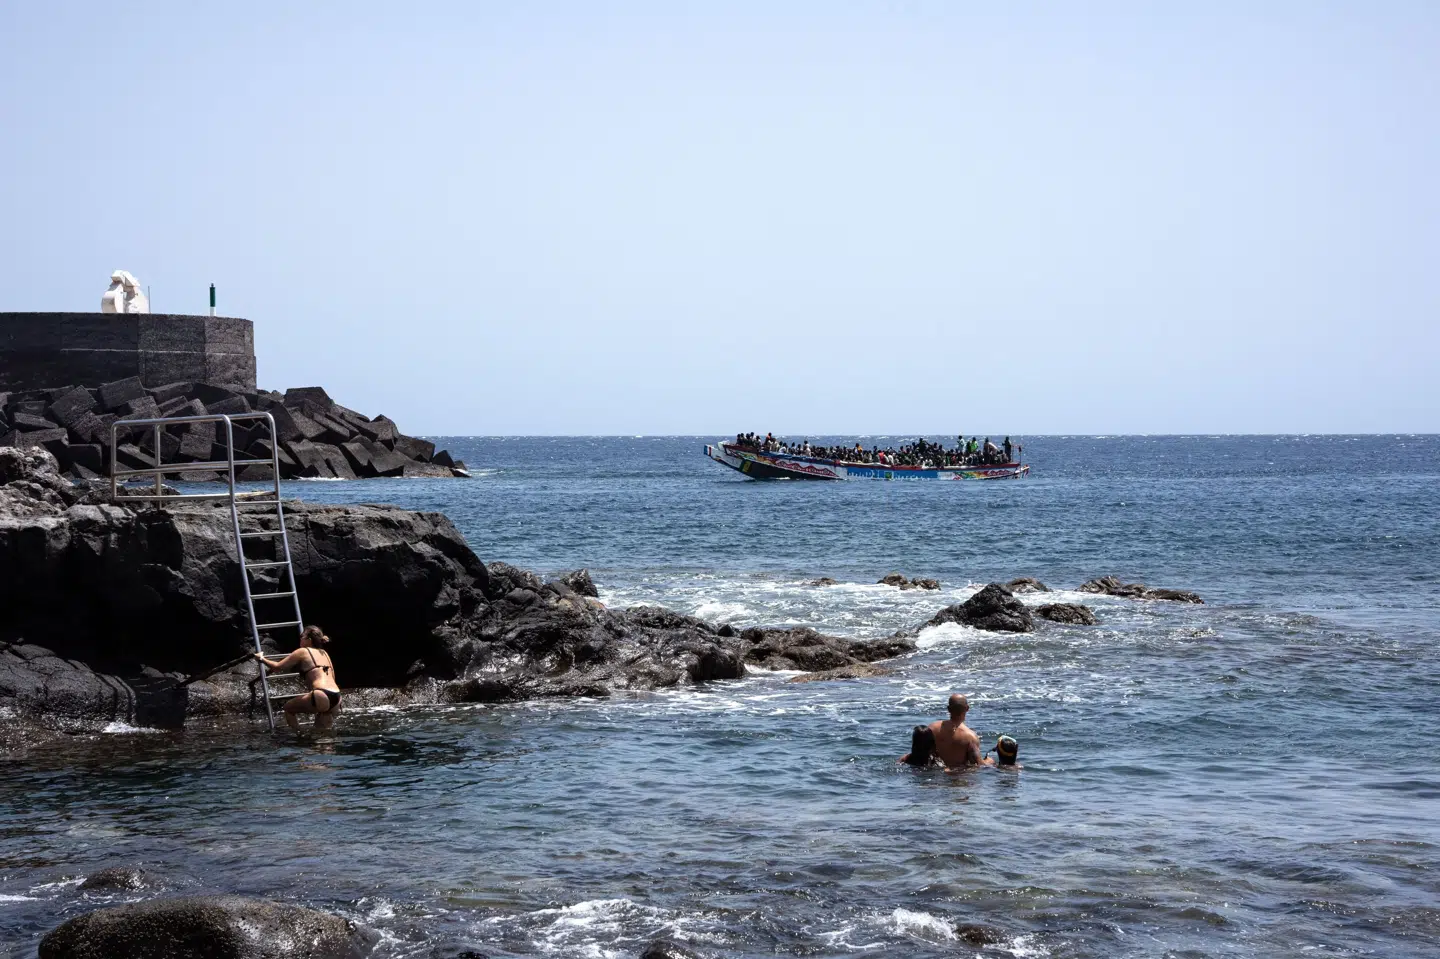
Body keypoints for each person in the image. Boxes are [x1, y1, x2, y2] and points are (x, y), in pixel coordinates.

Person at [255, 625, 340, 735]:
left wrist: (261, 659)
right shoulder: (324, 653)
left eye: (302, 636)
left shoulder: (302, 651)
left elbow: (277, 667)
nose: (300, 638)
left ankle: (300, 737)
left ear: (309, 640)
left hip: (321, 693)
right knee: (323, 735)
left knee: (288, 709)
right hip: (336, 696)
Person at [928, 694, 983, 768]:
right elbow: (978, 765)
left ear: (948, 709)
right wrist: (989, 761)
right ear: (967, 708)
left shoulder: (932, 728)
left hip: (934, 775)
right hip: (957, 776)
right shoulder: (970, 736)